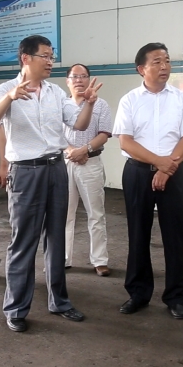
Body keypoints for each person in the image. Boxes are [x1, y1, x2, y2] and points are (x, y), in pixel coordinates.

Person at [0, 35, 100, 333]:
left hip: (56, 168)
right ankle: (16, 308)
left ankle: (59, 301)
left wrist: (88, 103)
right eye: (45, 56)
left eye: (52, 56)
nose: (50, 62)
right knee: (24, 241)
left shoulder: (55, 92)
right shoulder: (5, 90)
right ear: (26, 58)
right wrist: (10, 98)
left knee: (56, 238)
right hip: (25, 172)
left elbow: (79, 124)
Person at [112, 42, 183, 319]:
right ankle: (138, 293)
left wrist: (166, 168)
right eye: (157, 62)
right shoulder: (129, 100)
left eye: (167, 61)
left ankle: (176, 297)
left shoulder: (180, 98)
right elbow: (125, 141)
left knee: (175, 235)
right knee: (138, 234)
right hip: (137, 173)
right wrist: (158, 162)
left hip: (173, 172)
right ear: (141, 69)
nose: (164, 67)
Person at [63, 64, 112, 276]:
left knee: (96, 213)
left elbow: (104, 134)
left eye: (83, 76)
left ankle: (99, 260)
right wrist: (71, 151)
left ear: (89, 79)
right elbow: (54, 133)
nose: (79, 80)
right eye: (75, 76)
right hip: (65, 163)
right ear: (67, 81)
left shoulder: (101, 104)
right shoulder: (61, 104)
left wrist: (84, 150)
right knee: (64, 214)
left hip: (90, 163)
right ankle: (63, 258)